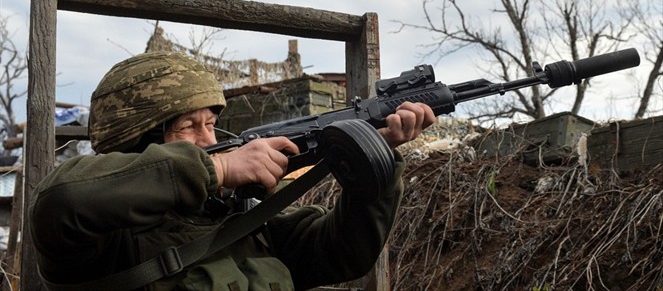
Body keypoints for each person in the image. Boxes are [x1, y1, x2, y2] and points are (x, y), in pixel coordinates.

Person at [29, 51, 435, 291]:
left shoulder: (238, 217)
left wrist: (375, 159)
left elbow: (342, 254)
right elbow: (62, 200)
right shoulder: (99, 239)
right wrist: (218, 168)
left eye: (211, 124)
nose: (208, 141)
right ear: (136, 140)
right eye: (189, 127)